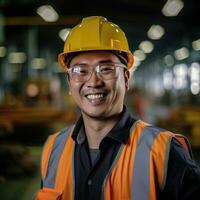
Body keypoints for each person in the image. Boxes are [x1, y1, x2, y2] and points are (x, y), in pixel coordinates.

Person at [34, 16, 200, 200]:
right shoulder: (52, 149)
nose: (93, 82)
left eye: (106, 69)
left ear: (126, 78)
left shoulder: (165, 153)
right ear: (70, 82)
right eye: (81, 71)